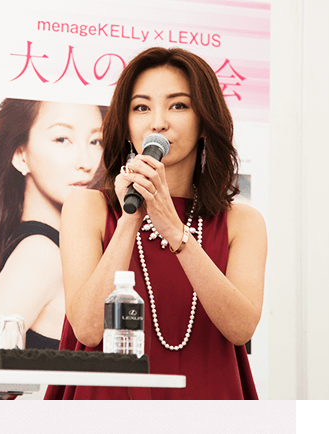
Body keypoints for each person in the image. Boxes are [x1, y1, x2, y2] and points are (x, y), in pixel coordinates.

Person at [44, 47, 267, 400]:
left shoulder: (243, 222)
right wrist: (130, 219)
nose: (158, 122)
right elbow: (87, 328)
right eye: (141, 107)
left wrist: (175, 231)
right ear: (126, 123)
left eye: (178, 105)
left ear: (205, 121)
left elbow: (241, 328)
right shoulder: (87, 207)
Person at [0, 98, 106, 350]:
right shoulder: (41, 253)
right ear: (21, 155)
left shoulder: (47, 249)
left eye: (95, 141)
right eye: (62, 139)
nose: (85, 162)